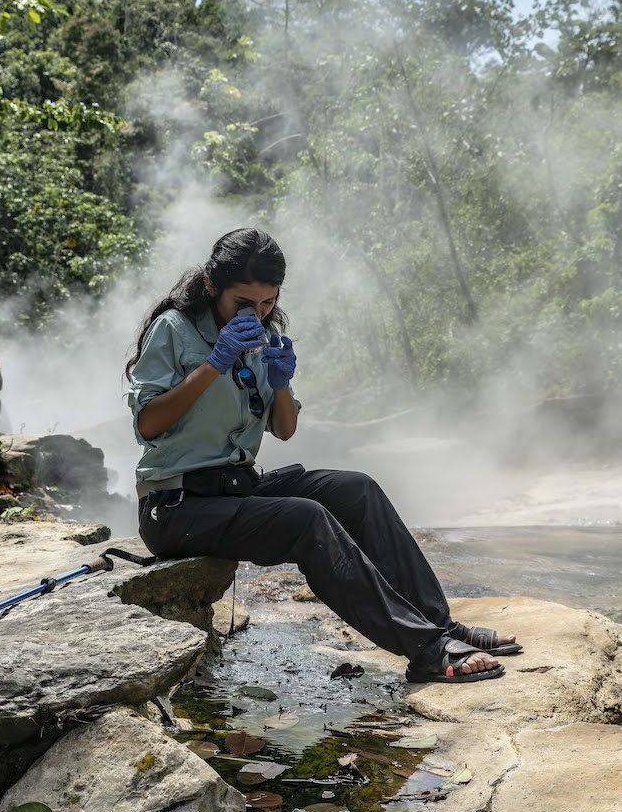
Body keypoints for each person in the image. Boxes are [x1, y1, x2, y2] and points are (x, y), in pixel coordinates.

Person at [125, 228, 521, 684]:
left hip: (237, 487)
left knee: (357, 489)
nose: (257, 313)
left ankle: (439, 625)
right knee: (307, 518)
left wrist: (281, 384)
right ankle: (428, 651)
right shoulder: (173, 329)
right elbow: (147, 424)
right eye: (243, 303)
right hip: (176, 507)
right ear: (213, 285)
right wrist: (214, 363)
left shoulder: (265, 332)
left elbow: (285, 429)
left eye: (268, 302)